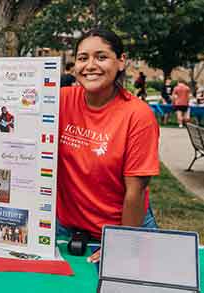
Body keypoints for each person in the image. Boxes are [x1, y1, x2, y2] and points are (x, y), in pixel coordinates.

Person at [56, 28, 160, 263]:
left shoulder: (138, 116)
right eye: (83, 58)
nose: (90, 65)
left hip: (124, 229)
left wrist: (121, 244)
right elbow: (11, 100)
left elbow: (136, 191)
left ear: (121, 62)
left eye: (101, 57)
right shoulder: (59, 100)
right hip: (68, 229)